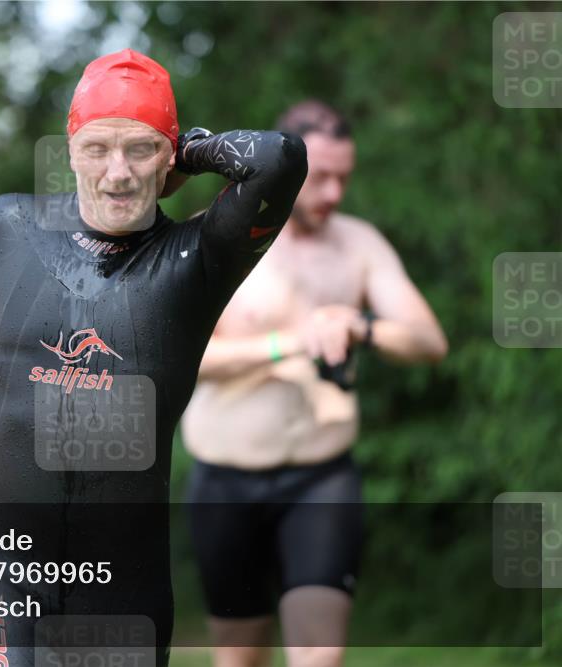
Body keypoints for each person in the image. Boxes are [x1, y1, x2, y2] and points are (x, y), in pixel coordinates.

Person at [0, 49, 308, 666]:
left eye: (140, 150)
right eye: (97, 148)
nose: (117, 173)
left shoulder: (196, 260)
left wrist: (187, 149)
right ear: (69, 150)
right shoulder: (4, 230)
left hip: (125, 590)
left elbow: (281, 158)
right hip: (0, 571)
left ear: (169, 156)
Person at [181, 100, 448, 667]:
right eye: (320, 177)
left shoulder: (359, 243)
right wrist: (289, 343)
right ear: (284, 170)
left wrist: (361, 326)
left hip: (321, 480)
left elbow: (428, 341)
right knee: (239, 658)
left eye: (343, 178)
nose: (333, 193)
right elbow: (178, 355)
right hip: (224, 482)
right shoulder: (218, 235)